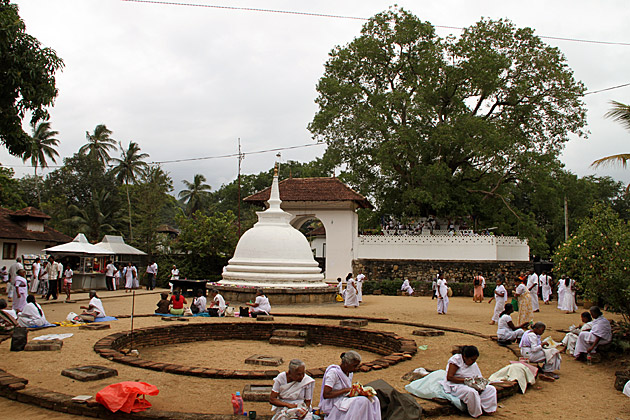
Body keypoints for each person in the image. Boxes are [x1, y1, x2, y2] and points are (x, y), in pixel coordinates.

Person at [320, 351, 381, 420]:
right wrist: (346, 390)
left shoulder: (349, 373)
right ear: (346, 363)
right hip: (334, 403)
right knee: (362, 401)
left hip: (345, 399)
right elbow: (326, 394)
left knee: (374, 399)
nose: (356, 368)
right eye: (354, 366)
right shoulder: (333, 373)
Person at [440, 345, 497, 418]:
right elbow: (450, 377)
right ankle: (476, 413)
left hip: (470, 384)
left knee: (491, 389)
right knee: (471, 392)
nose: (473, 362)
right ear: (464, 357)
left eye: (475, 360)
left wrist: (479, 385)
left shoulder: (473, 363)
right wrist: (466, 381)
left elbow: (478, 377)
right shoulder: (456, 361)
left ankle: (488, 409)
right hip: (456, 385)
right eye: (472, 359)